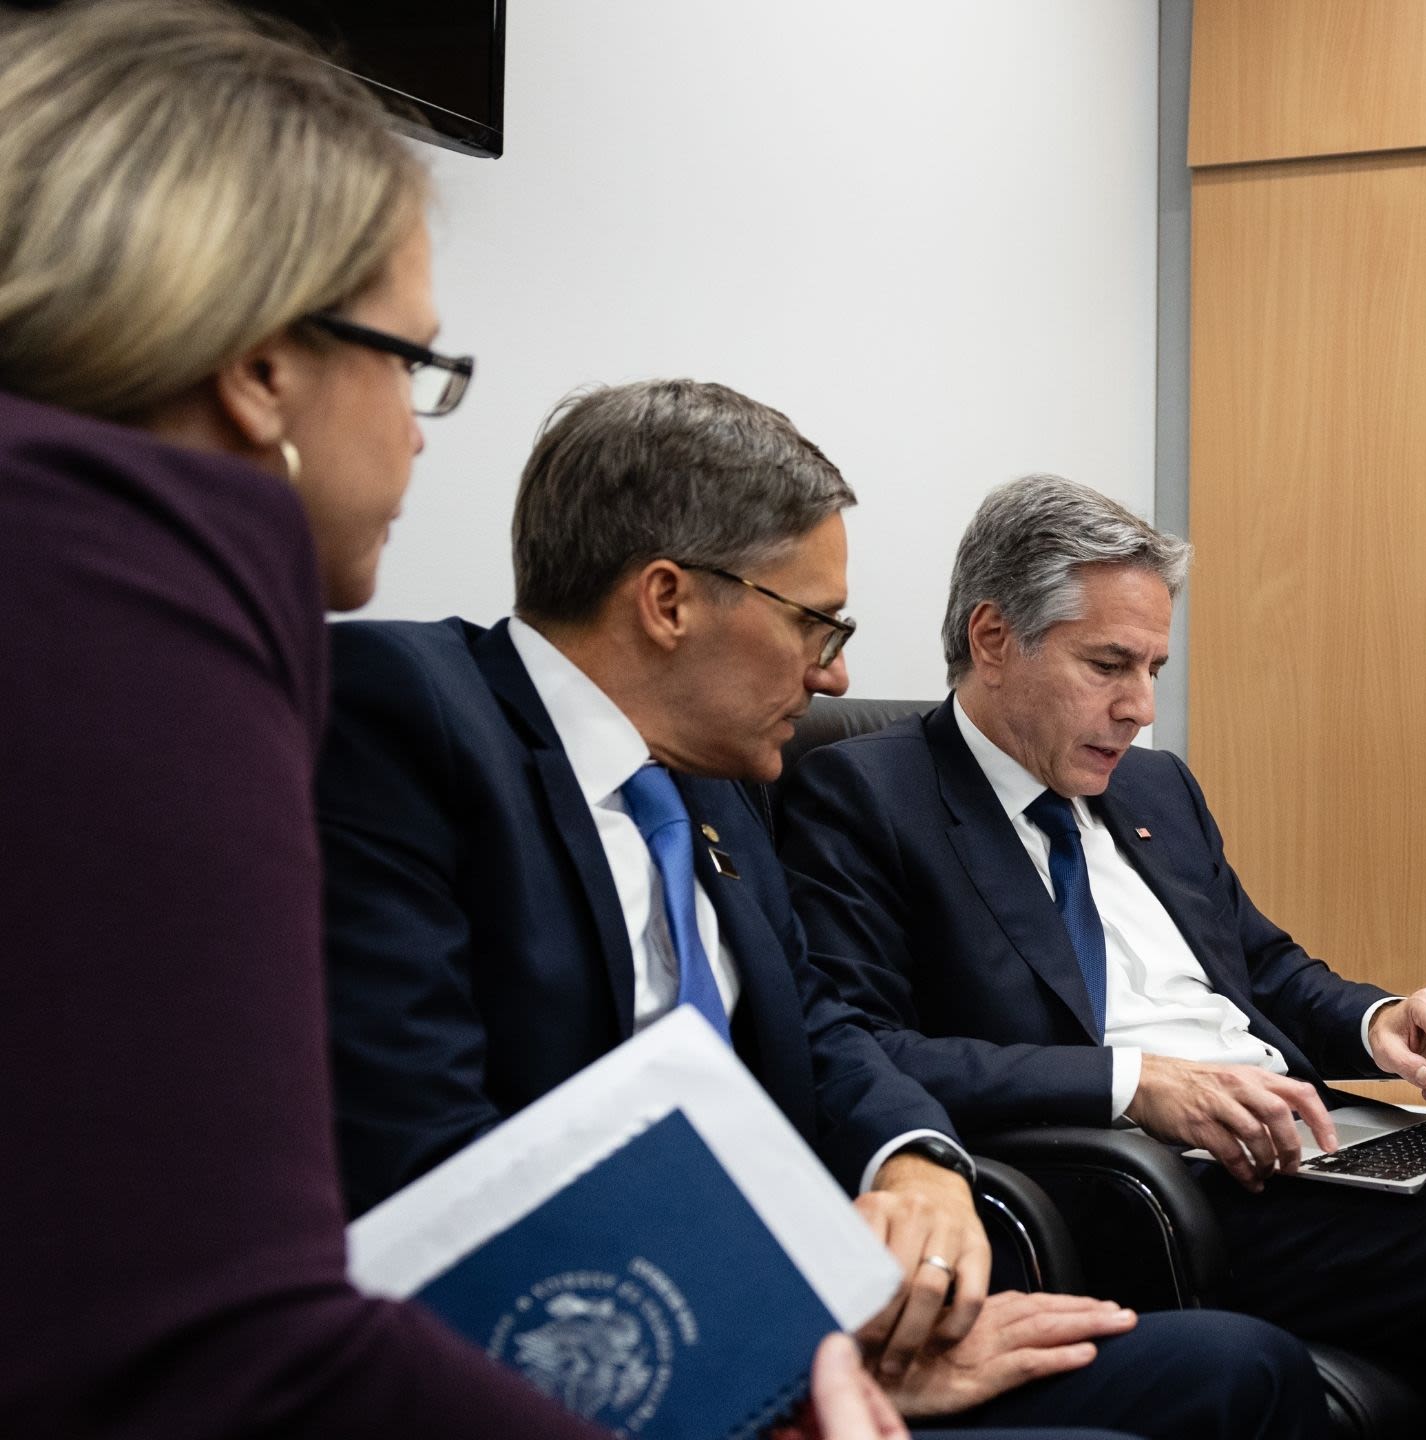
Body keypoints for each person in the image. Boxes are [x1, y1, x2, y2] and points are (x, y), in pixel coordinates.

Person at [0, 2, 892, 1434]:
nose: (420, 431)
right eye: (410, 362)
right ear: (262, 364)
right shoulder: (138, 608)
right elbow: (235, 1336)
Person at [320, 381, 1326, 1440]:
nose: (838, 673)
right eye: (815, 623)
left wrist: (917, 1161)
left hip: (809, 1331)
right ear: (668, 602)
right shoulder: (408, 719)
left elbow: (820, 1025)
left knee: (1238, 1370)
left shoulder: (714, 783)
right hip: (601, 1360)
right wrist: (792, 1355)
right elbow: (433, 1166)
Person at [775, 473, 1426, 1439]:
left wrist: (1380, 1022)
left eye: (1154, 668)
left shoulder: (1155, 788)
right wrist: (1135, 1082)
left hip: (1309, 1143)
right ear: (993, 639)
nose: (1140, 708)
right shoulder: (866, 794)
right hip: (1166, 1188)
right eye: (1108, 665)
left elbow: (1265, 969)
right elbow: (864, 1044)